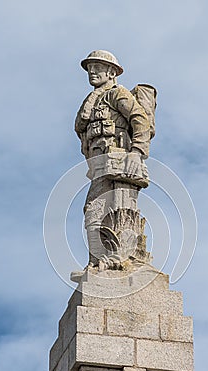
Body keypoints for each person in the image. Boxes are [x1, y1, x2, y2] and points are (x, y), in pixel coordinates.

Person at [75, 50, 152, 269]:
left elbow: (140, 119)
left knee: (119, 208)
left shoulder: (117, 94)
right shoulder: (92, 101)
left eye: (97, 67)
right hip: (99, 163)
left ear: (111, 72)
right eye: (90, 67)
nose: (92, 71)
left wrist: (136, 152)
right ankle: (97, 261)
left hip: (119, 160)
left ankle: (120, 258)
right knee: (94, 210)